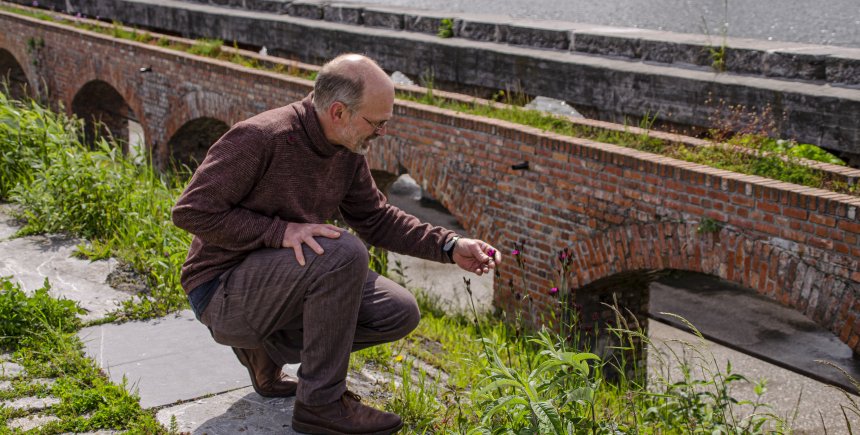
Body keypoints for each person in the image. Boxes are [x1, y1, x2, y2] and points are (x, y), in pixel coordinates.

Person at [171, 53, 501, 435]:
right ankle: (321, 405)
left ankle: (265, 351)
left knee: (398, 310)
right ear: (339, 111)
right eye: (376, 123)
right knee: (343, 252)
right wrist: (280, 232)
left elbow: (376, 218)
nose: (382, 133)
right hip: (220, 289)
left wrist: (449, 245)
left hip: (278, 285)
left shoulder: (346, 150)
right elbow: (191, 212)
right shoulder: (261, 137)